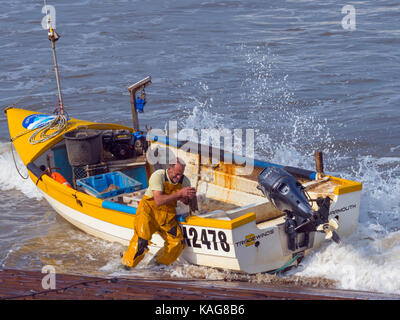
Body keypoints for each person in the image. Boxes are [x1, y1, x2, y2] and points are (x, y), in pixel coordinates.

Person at [121, 157, 197, 268]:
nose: (179, 177)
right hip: (148, 212)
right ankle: (124, 268)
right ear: (169, 168)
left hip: (166, 216)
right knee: (141, 242)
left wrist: (188, 198)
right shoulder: (158, 175)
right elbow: (158, 200)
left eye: (181, 174)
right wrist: (180, 193)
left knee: (178, 243)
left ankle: (156, 266)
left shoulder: (184, 181)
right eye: (177, 174)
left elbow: (187, 202)